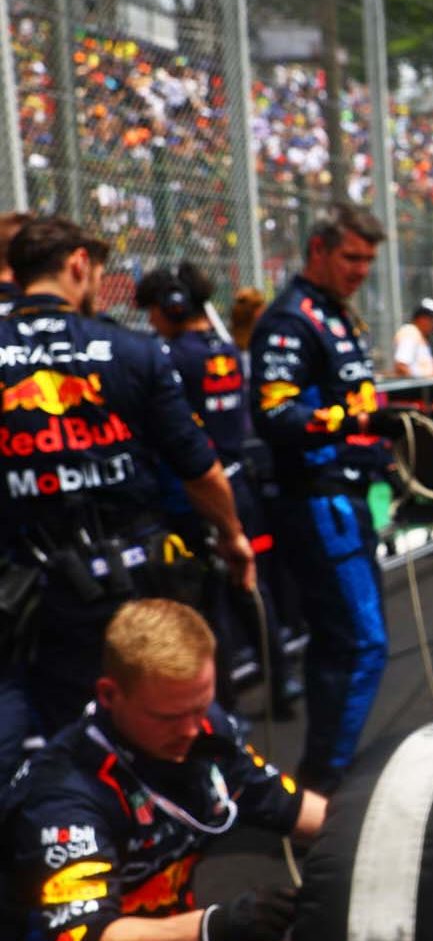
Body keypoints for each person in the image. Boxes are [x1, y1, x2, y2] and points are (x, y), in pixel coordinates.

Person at [0, 217, 253, 781]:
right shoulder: (130, 349)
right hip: (131, 586)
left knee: (62, 745)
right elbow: (200, 469)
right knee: (162, 725)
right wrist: (233, 535)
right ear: (77, 265)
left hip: (29, 596)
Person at [1, 599, 326, 941]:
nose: (191, 730)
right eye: (169, 717)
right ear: (108, 695)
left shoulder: (205, 730)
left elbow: (289, 806)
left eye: (201, 707)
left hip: (173, 939)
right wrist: (216, 926)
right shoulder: (62, 796)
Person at [251, 202, 404, 794]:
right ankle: (325, 784)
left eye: (369, 259)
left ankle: (321, 772)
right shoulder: (292, 321)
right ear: (319, 250)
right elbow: (276, 415)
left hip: (348, 493)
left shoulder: (339, 315)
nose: (362, 270)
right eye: (352, 258)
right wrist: (347, 420)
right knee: (363, 643)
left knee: (338, 642)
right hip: (315, 499)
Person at [133, 263, 297, 717]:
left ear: (173, 307)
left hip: (198, 491)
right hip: (238, 480)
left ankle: (223, 710)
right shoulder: (223, 348)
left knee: (208, 602)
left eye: (153, 311)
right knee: (250, 584)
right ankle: (281, 684)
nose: (150, 321)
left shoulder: (172, 356)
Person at [391, 298, 433, 378]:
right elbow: (401, 366)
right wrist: (417, 384)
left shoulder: (418, 334)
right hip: (416, 388)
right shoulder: (410, 332)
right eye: (431, 319)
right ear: (420, 318)